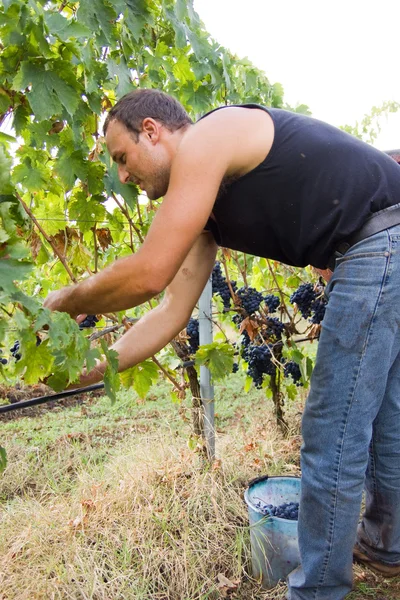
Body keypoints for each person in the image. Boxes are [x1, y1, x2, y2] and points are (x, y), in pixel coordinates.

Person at [44, 89, 400, 599]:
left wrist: (66, 299)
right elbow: (170, 311)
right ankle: (386, 545)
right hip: (384, 239)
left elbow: (147, 273)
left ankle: (319, 590)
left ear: (152, 130)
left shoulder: (209, 138)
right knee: (386, 412)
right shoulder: (205, 210)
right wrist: (97, 367)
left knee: (334, 429)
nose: (121, 175)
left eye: (122, 157)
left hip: (379, 240)